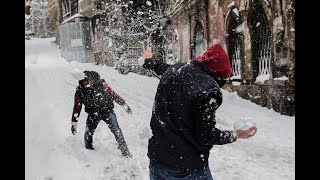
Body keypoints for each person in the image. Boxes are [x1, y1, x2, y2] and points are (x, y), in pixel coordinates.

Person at [141, 43, 257, 179]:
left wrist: (148, 61)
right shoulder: (208, 91)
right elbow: (206, 135)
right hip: (187, 169)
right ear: (217, 75)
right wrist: (235, 134)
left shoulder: (176, 69)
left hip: (157, 162)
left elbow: (159, 67)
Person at [70, 70, 133, 158]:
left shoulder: (103, 86)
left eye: (87, 80)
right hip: (93, 114)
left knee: (116, 129)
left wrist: (124, 105)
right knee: (88, 132)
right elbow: (77, 107)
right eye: (82, 81)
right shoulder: (80, 91)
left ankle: (124, 150)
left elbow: (114, 95)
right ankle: (88, 151)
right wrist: (74, 123)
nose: (85, 83)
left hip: (107, 111)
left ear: (91, 80)